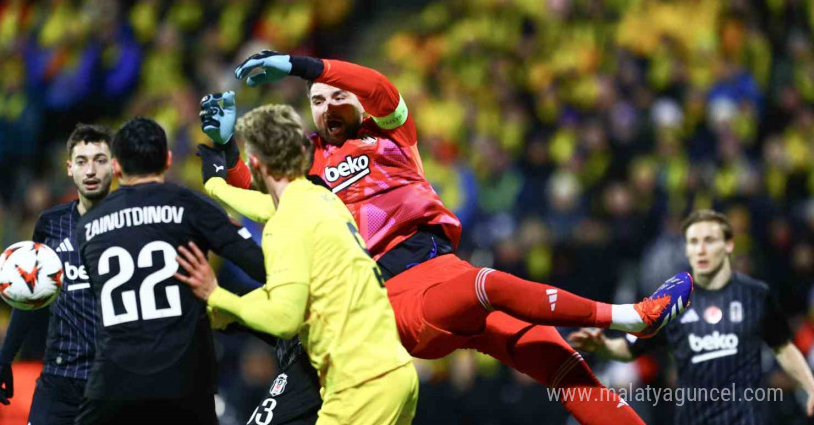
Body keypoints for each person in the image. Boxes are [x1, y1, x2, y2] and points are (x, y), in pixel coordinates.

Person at [194, 51, 692, 425]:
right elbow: (258, 193)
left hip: (442, 268)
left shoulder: (391, 134)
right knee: (488, 284)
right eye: (317, 102)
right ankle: (631, 317)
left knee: (559, 362)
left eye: (335, 94)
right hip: (398, 293)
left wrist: (303, 66)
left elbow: (379, 85)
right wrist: (223, 150)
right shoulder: (306, 167)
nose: (328, 106)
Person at [177, 104, 418, 425]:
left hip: (359, 384)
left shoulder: (284, 227)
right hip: (395, 372)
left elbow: (284, 319)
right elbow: (268, 206)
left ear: (256, 163)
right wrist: (216, 187)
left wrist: (216, 295)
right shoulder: (323, 199)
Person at [74, 118, 266, 424]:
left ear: (117, 167)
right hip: (185, 379)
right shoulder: (193, 207)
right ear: (167, 159)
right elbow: (261, 267)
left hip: (113, 383)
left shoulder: (86, 227)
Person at [569, 210, 814, 424]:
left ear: (727, 246)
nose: (701, 249)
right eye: (694, 242)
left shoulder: (756, 296)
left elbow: (784, 348)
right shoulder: (674, 301)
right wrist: (603, 346)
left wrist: (810, 386)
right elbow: (630, 349)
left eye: (709, 241)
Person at [0, 124, 113, 424]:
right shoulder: (51, 223)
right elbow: (31, 296)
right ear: (69, 168)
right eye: (82, 161)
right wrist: (5, 359)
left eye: (100, 159)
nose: (91, 170)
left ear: (115, 166)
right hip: (58, 379)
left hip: (112, 380)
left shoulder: (131, 222)